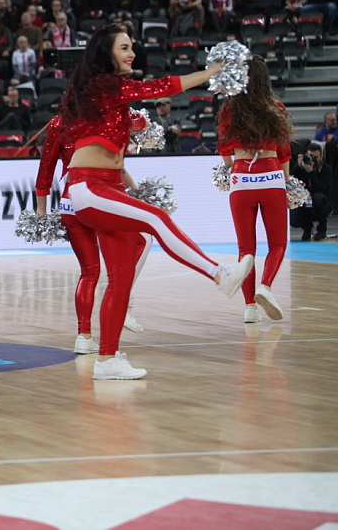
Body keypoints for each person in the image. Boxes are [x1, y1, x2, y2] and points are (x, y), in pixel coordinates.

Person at [60, 23, 254, 380]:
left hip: (110, 187)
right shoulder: (103, 84)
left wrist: (136, 125)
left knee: (121, 277)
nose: (132, 53)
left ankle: (107, 360)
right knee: (156, 219)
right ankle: (220, 274)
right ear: (105, 53)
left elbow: (120, 121)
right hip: (90, 187)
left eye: (131, 47)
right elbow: (160, 87)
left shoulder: (105, 94)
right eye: (123, 48)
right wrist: (209, 72)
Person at [35, 115, 149, 355]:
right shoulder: (105, 116)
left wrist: (41, 212)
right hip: (97, 198)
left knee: (89, 271)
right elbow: (138, 127)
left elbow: (46, 167)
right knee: (142, 240)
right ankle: (124, 300)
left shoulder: (57, 122)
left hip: (69, 202)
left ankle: (84, 336)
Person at [216, 58, 291, 323]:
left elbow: (224, 151)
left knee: (245, 248)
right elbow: (284, 152)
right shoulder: (276, 107)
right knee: (278, 243)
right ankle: (265, 287)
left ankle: (250, 308)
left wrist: (236, 164)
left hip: (242, 179)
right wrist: (286, 182)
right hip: (271, 176)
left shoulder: (229, 110)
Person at [291, 141, 332, 241]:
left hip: (321, 204)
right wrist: (298, 166)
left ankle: (322, 230)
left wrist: (310, 173)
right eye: (310, 156)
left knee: (318, 197)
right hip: (305, 201)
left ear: (321, 157)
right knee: (294, 217)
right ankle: (307, 228)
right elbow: (290, 182)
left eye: (315, 157)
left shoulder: (326, 169)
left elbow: (320, 189)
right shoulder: (301, 168)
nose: (312, 160)